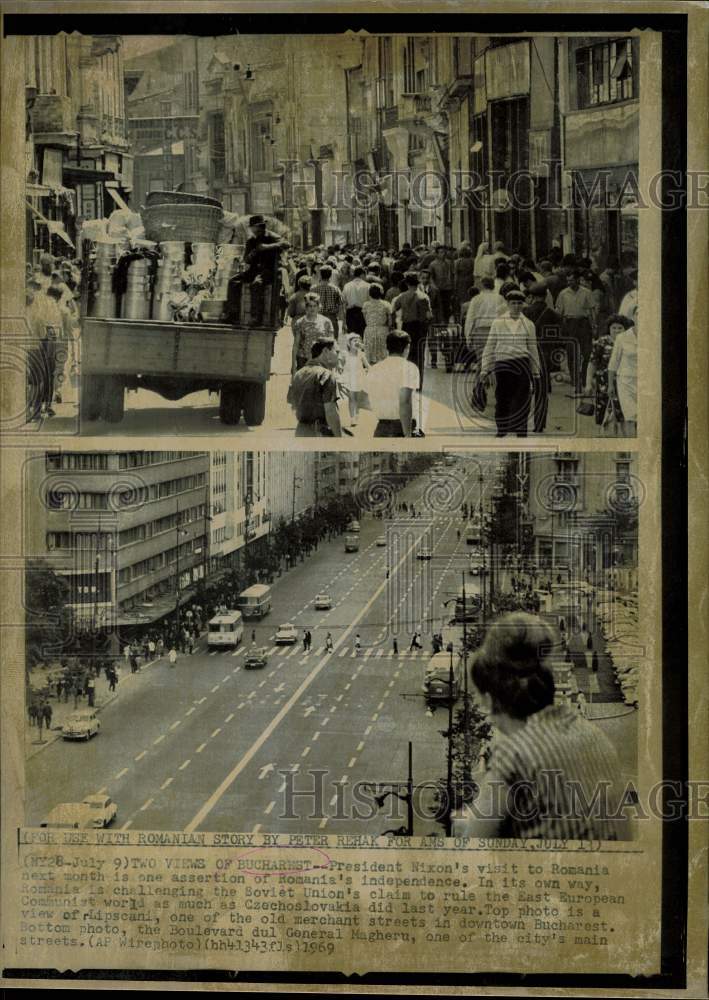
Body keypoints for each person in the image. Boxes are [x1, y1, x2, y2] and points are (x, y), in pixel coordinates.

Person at [454, 612, 627, 839]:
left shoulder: (515, 754)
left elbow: (473, 848)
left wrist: (463, 826)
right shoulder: (595, 736)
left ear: (488, 699)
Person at [480, 289, 541, 437]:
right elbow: (490, 346)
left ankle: (521, 430)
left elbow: (532, 348)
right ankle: (502, 429)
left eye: (519, 303)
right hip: (503, 364)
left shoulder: (528, 324)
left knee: (522, 398)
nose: (516, 306)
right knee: (502, 397)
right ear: (507, 304)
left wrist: (536, 372)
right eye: (513, 303)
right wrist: (485, 369)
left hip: (522, 363)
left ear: (523, 305)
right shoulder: (498, 322)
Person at [523, 282, 563, 433]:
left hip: (527, 353)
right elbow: (559, 337)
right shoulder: (553, 314)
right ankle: (539, 424)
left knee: (524, 389)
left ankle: (522, 422)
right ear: (546, 296)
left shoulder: (525, 312)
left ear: (532, 297)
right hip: (545, 356)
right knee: (542, 391)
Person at [365, 330, 419, 437]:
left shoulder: (375, 369)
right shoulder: (409, 368)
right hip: (402, 428)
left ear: (386, 347)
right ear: (407, 348)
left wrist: (383, 406)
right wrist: (407, 435)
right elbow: (405, 402)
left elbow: (361, 399)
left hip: (381, 427)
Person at [239, 214, 289, 325]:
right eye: (253, 228)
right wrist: (253, 254)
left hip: (268, 271)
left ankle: (256, 317)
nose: (254, 230)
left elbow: (286, 244)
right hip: (253, 270)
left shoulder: (271, 236)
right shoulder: (251, 241)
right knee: (233, 281)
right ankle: (232, 313)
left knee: (257, 284)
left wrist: (267, 247)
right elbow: (246, 259)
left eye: (257, 227)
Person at [288, 338, 343, 437]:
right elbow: (331, 413)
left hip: (300, 431)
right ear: (326, 351)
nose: (339, 356)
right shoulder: (327, 375)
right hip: (320, 433)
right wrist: (339, 440)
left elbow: (292, 403)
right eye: (337, 352)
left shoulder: (298, 374)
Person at [555, 268, 596, 394]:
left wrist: (594, 325)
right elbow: (559, 312)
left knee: (587, 352)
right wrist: (561, 327)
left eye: (572, 280)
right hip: (570, 323)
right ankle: (575, 379)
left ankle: (584, 378)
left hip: (583, 323)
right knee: (571, 352)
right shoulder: (563, 294)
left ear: (578, 280)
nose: (569, 283)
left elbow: (592, 311)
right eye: (568, 281)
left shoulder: (587, 292)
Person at [390, 271, 432, 387]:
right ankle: (419, 383)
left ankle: (407, 382)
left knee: (406, 354)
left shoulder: (402, 296)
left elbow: (392, 311)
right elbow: (429, 316)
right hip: (420, 328)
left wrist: (393, 325)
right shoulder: (424, 297)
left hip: (406, 327)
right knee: (419, 355)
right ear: (418, 283)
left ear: (407, 283)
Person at [607, 305, 638, 436]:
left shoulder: (653, 335)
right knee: (630, 416)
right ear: (633, 317)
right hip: (625, 381)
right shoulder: (622, 337)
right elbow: (613, 363)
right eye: (638, 313)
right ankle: (632, 446)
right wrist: (610, 385)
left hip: (646, 382)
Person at [464, 276, 505, 362]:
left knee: (481, 360)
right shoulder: (500, 298)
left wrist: (468, 336)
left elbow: (470, 319)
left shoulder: (476, 299)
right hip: (496, 330)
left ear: (482, 286)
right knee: (494, 359)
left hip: (480, 331)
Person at [291, 292, 335, 373]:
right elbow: (296, 345)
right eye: (310, 306)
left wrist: (331, 362)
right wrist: (293, 364)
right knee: (304, 384)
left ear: (319, 307)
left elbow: (332, 343)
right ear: (306, 307)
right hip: (304, 359)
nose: (312, 308)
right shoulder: (300, 322)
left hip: (321, 360)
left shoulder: (326, 322)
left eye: (315, 306)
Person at [341, 333, 369, 426]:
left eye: (358, 341)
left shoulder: (361, 354)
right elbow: (339, 364)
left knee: (357, 399)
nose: (357, 342)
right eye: (354, 341)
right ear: (349, 343)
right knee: (351, 398)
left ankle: (356, 415)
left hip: (359, 378)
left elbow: (368, 366)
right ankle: (352, 418)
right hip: (349, 378)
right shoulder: (345, 354)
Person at [361, 282, 392, 364]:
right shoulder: (386, 304)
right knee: (382, 354)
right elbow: (390, 322)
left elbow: (365, 319)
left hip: (370, 330)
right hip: (383, 330)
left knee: (369, 354)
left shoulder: (365, 305)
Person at [311, 266, 343, 339]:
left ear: (320, 275)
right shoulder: (336, 289)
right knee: (333, 343)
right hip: (332, 317)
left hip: (317, 317)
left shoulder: (314, 289)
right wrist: (343, 322)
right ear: (330, 275)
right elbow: (341, 305)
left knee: (317, 343)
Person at [342, 266, 370, 336]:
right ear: (362, 274)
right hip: (362, 314)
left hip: (350, 313)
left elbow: (344, 303)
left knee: (352, 337)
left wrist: (343, 320)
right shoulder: (368, 286)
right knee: (362, 336)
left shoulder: (347, 285)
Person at [429, 245, 454, 320]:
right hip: (438, 288)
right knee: (439, 307)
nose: (443, 254)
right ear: (437, 254)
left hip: (448, 288)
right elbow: (431, 277)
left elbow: (452, 274)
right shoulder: (433, 264)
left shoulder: (449, 263)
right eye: (441, 252)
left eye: (444, 252)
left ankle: (446, 321)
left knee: (447, 307)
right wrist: (434, 286)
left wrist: (452, 285)